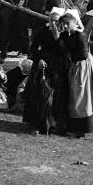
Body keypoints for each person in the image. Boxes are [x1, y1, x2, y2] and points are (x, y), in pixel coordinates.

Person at [24, 8, 68, 136]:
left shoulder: (64, 34)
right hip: (42, 67)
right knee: (38, 96)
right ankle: (35, 124)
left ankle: (52, 124)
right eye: (51, 21)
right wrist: (38, 59)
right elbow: (33, 48)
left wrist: (57, 37)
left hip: (57, 69)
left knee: (54, 98)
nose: (53, 24)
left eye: (56, 21)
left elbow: (65, 52)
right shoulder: (42, 31)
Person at [61, 10, 93, 136]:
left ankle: (82, 127)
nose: (64, 26)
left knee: (81, 94)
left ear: (74, 23)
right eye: (63, 23)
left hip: (82, 66)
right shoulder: (67, 34)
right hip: (75, 65)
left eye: (67, 23)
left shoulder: (80, 35)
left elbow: (83, 54)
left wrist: (68, 57)